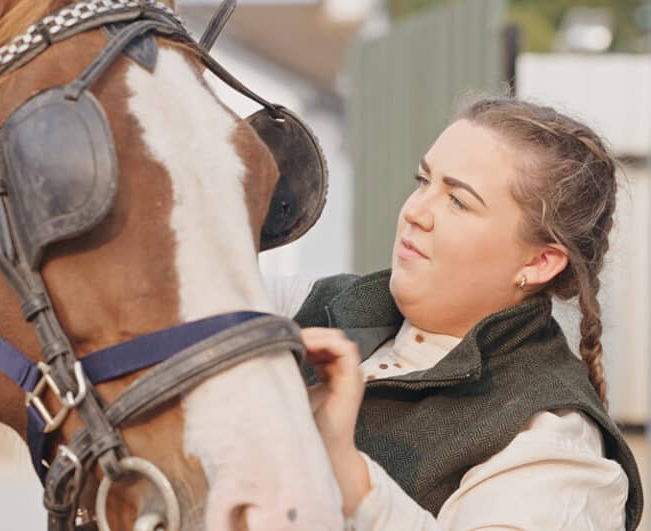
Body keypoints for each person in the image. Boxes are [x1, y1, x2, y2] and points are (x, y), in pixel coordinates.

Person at [268, 97, 643, 530]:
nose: (414, 212)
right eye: (423, 180)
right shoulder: (312, 303)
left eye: (458, 201)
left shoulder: (554, 446)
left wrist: (346, 469)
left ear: (539, 263)